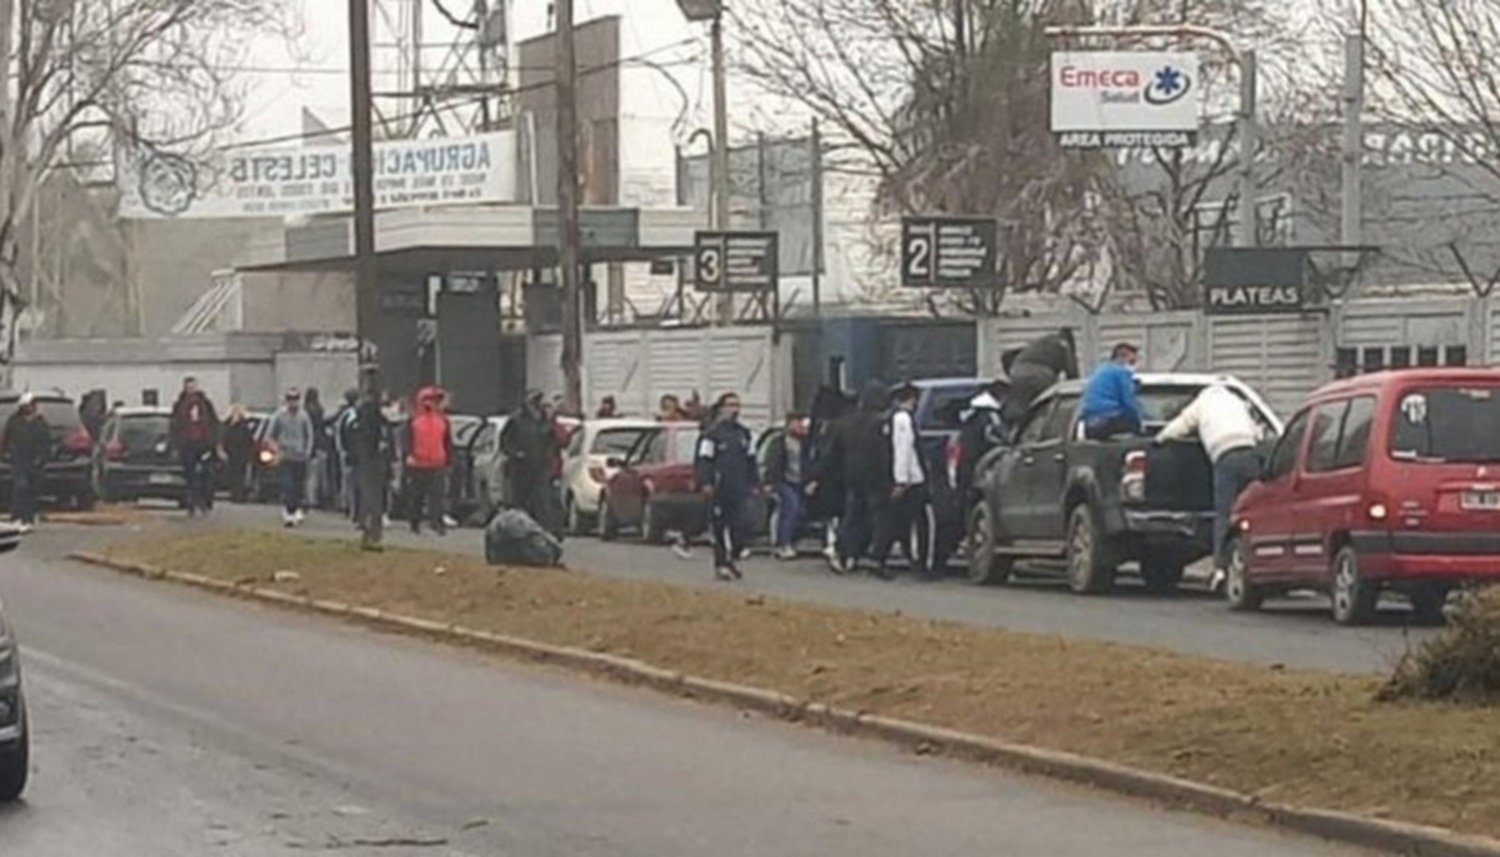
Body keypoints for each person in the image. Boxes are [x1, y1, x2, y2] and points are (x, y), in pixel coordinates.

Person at [1155, 384, 1265, 592]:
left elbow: (1181, 425)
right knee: (1250, 512)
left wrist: (1160, 438)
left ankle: (1221, 569)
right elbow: (1257, 431)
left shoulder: (1202, 403)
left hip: (1225, 457)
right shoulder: (1237, 403)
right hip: (1250, 454)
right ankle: (1253, 564)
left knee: (1225, 514)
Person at [870, 383, 932, 581]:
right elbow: (902, 449)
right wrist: (901, 480)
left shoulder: (889, 418)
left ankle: (884, 559)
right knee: (913, 523)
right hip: (910, 480)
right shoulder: (902, 419)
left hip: (901, 478)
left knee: (895, 522)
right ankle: (914, 562)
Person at [695, 392, 757, 581]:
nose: (734, 409)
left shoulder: (745, 434)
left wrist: (754, 483)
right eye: (730, 405)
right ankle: (722, 563)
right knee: (720, 528)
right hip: (719, 488)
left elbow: (751, 461)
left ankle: (732, 558)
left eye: (737, 405)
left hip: (739, 488)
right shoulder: (711, 435)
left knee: (740, 526)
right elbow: (704, 461)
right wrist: (705, 483)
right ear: (721, 408)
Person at [831, 381, 891, 575]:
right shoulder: (882, 423)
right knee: (879, 517)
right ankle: (876, 556)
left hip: (853, 476)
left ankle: (845, 553)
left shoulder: (845, 423)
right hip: (876, 477)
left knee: (852, 516)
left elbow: (834, 454)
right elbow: (886, 453)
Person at [501, 390, 561, 529]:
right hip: (521, 469)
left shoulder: (544, 421)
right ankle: (521, 527)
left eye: (539, 401)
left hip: (541, 467)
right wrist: (516, 454)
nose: (537, 405)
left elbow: (554, 440)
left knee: (542, 500)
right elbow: (505, 442)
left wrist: (549, 454)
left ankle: (545, 528)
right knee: (521, 500)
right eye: (534, 401)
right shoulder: (516, 420)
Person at [1001, 329, 1080, 428]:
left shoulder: (1043, 340)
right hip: (1039, 373)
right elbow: (1072, 374)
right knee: (1045, 403)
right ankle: (1042, 428)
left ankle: (1010, 425)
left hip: (1016, 370)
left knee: (1022, 401)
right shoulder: (1064, 345)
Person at [404, 387, 453, 535]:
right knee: (416, 496)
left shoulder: (443, 420)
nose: (431, 403)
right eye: (428, 399)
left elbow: (447, 442)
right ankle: (415, 522)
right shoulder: (414, 420)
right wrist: (409, 456)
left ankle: (437, 523)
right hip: (418, 464)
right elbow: (407, 441)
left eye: (434, 400)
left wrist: (449, 460)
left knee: (437, 497)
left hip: (437, 463)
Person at [170, 376, 221, 517]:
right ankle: (192, 502)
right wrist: (176, 443)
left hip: (204, 444)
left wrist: (214, 442)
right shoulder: (179, 404)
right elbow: (174, 425)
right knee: (190, 475)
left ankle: (206, 502)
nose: (191, 389)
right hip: (187, 444)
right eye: (189, 387)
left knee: (207, 473)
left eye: (193, 386)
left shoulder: (205, 403)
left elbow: (214, 422)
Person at [354, 376, 395, 550]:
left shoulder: (363, 413)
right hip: (373, 460)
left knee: (368, 497)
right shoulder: (374, 414)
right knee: (374, 498)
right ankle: (372, 535)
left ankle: (368, 532)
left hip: (368, 459)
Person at [764, 412, 810, 560]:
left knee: (801, 512)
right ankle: (782, 544)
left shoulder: (806, 443)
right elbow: (771, 462)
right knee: (791, 506)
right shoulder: (779, 442)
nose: (800, 426)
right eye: (796, 422)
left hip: (800, 482)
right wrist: (769, 482)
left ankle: (793, 540)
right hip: (783, 481)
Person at [957, 379, 1009, 503]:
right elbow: (998, 439)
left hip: (967, 463)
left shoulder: (972, 413)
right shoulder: (991, 416)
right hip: (983, 464)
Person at [269, 388, 315, 527]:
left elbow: (309, 435)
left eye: (295, 399)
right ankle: (288, 511)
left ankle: (297, 509)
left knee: (299, 486)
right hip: (285, 456)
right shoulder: (279, 416)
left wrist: (307, 452)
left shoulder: (304, 416)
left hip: (301, 457)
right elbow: (271, 436)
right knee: (287, 484)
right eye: (290, 399)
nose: (293, 402)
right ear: (286, 400)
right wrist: (276, 451)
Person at [2, 394, 49, 530]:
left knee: (31, 490)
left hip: (34, 462)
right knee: (19, 488)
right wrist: (6, 454)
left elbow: (46, 442)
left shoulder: (40, 422)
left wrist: (41, 459)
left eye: (30, 405)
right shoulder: (14, 421)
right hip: (18, 460)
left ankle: (28, 518)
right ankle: (17, 517)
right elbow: (6, 439)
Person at [1079, 343, 1144, 441]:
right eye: (1132, 361)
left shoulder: (1101, 370)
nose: (1134, 365)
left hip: (1091, 425)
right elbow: (1129, 403)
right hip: (1109, 420)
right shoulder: (1120, 372)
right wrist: (1140, 425)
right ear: (1121, 357)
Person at [333, 388, 360, 517]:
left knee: (349, 481)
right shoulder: (350, 415)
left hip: (348, 453)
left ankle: (349, 506)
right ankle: (350, 507)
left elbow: (338, 433)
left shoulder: (345, 415)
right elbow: (340, 434)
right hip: (350, 453)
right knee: (351, 481)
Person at [222, 405, 256, 503]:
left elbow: (249, 441)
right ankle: (235, 494)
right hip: (233, 454)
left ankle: (239, 495)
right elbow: (225, 440)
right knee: (234, 476)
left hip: (241, 454)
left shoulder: (244, 427)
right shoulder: (229, 426)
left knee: (240, 475)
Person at [303, 387, 329, 510]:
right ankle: (317, 498)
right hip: (319, 446)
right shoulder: (318, 411)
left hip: (308, 447)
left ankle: (310, 499)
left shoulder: (304, 412)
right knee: (318, 475)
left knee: (309, 476)